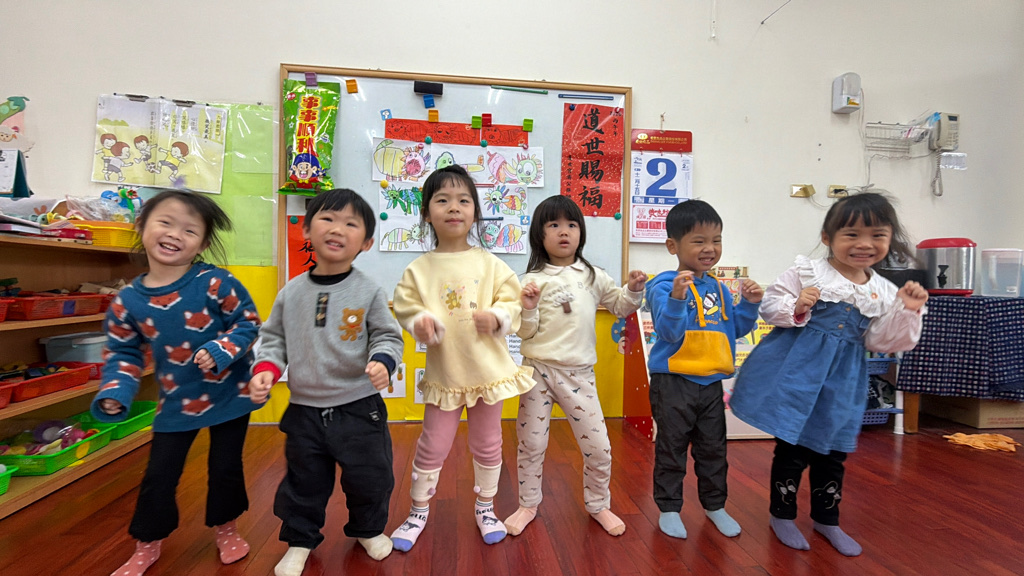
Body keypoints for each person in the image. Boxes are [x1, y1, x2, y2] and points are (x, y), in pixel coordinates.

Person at [728, 192, 928, 557]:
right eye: (852, 234)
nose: (864, 244)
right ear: (827, 237)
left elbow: (880, 340)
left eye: (877, 235)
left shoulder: (882, 291)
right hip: (799, 371)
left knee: (833, 449)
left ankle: (827, 519)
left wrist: (908, 311)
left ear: (889, 240)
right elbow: (771, 306)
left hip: (843, 379)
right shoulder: (808, 271)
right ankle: (782, 514)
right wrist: (797, 304)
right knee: (793, 445)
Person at [91, 190, 262, 576]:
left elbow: (248, 322)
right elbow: (123, 353)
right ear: (141, 226)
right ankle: (147, 542)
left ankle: (227, 528)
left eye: (189, 229)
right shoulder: (127, 302)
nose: (174, 234)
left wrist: (222, 349)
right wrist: (116, 391)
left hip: (229, 395)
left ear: (202, 243)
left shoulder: (215, 282)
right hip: (176, 401)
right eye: (165, 222)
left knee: (225, 467)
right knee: (159, 475)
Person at [248, 189, 404, 576]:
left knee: (372, 478)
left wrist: (383, 361)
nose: (337, 229)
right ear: (306, 230)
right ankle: (300, 541)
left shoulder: (369, 290)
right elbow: (274, 338)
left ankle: (368, 529)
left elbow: (388, 335)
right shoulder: (292, 292)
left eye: (351, 223)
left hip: (359, 408)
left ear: (366, 243)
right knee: (303, 482)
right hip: (304, 411)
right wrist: (266, 368)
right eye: (328, 219)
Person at [389, 165, 535, 551]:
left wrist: (499, 317)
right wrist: (419, 323)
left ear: (475, 212)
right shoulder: (419, 270)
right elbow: (405, 305)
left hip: (488, 374)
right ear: (426, 213)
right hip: (447, 375)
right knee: (432, 445)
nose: (454, 207)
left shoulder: (490, 264)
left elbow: (512, 301)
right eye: (443, 200)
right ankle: (418, 510)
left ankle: (486, 507)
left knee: (488, 443)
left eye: (463, 200)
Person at [504, 195, 646, 537]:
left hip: (579, 375)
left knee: (599, 448)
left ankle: (598, 504)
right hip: (537, 371)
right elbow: (524, 332)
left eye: (571, 225)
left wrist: (634, 289)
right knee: (531, 444)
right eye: (553, 225)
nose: (563, 231)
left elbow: (621, 306)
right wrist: (529, 307)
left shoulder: (593, 275)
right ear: (539, 234)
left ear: (581, 232)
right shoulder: (530, 280)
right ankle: (527, 504)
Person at [645, 199, 763, 541]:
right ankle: (669, 508)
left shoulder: (719, 288)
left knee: (714, 450)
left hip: (710, 383)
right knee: (671, 448)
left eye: (716, 240)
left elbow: (735, 329)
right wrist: (678, 297)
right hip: (673, 383)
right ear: (673, 246)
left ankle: (715, 505)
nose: (710, 248)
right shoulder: (663, 285)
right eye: (699, 241)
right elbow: (669, 333)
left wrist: (750, 304)